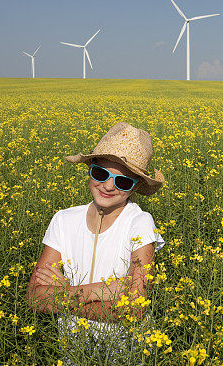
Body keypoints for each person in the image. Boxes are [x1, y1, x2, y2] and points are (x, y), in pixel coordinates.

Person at [27, 122, 165, 363]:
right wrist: (104, 289)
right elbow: (35, 297)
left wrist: (63, 295)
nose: (109, 186)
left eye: (123, 182)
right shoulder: (63, 220)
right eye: (101, 174)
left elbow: (134, 308)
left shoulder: (140, 223)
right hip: (73, 352)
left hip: (127, 352)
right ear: (90, 170)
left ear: (134, 187)